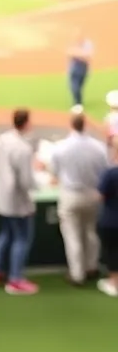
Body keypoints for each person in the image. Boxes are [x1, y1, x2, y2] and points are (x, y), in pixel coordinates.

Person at [49, 107, 108, 286]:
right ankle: (91, 267)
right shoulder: (99, 147)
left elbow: (54, 173)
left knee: (72, 235)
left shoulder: (60, 147)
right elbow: (105, 171)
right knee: (91, 232)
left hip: (71, 194)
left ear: (71, 124)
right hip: (93, 194)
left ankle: (77, 274)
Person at [0, 109, 38, 295]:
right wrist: (36, 189)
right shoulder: (23, 148)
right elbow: (26, 181)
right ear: (26, 123)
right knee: (22, 239)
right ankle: (15, 279)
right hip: (17, 200)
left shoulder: (3, 139)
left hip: (2, 196)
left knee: (6, 234)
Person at [96, 141, 118, 298]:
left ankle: (114, 283)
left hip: (111, 219)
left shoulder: (110, 173)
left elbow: (100, 196)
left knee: (111, 251)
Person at [67, 31, 93, 108]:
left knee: (79, 87)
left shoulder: (87, 44)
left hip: (83, 68)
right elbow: (69, 53)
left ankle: (78, 103)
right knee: (74, 87)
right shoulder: (73, 44)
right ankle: (77, 103)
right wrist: (79, 54)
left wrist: (77, 53)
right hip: (74, 68)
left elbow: (87, 57)